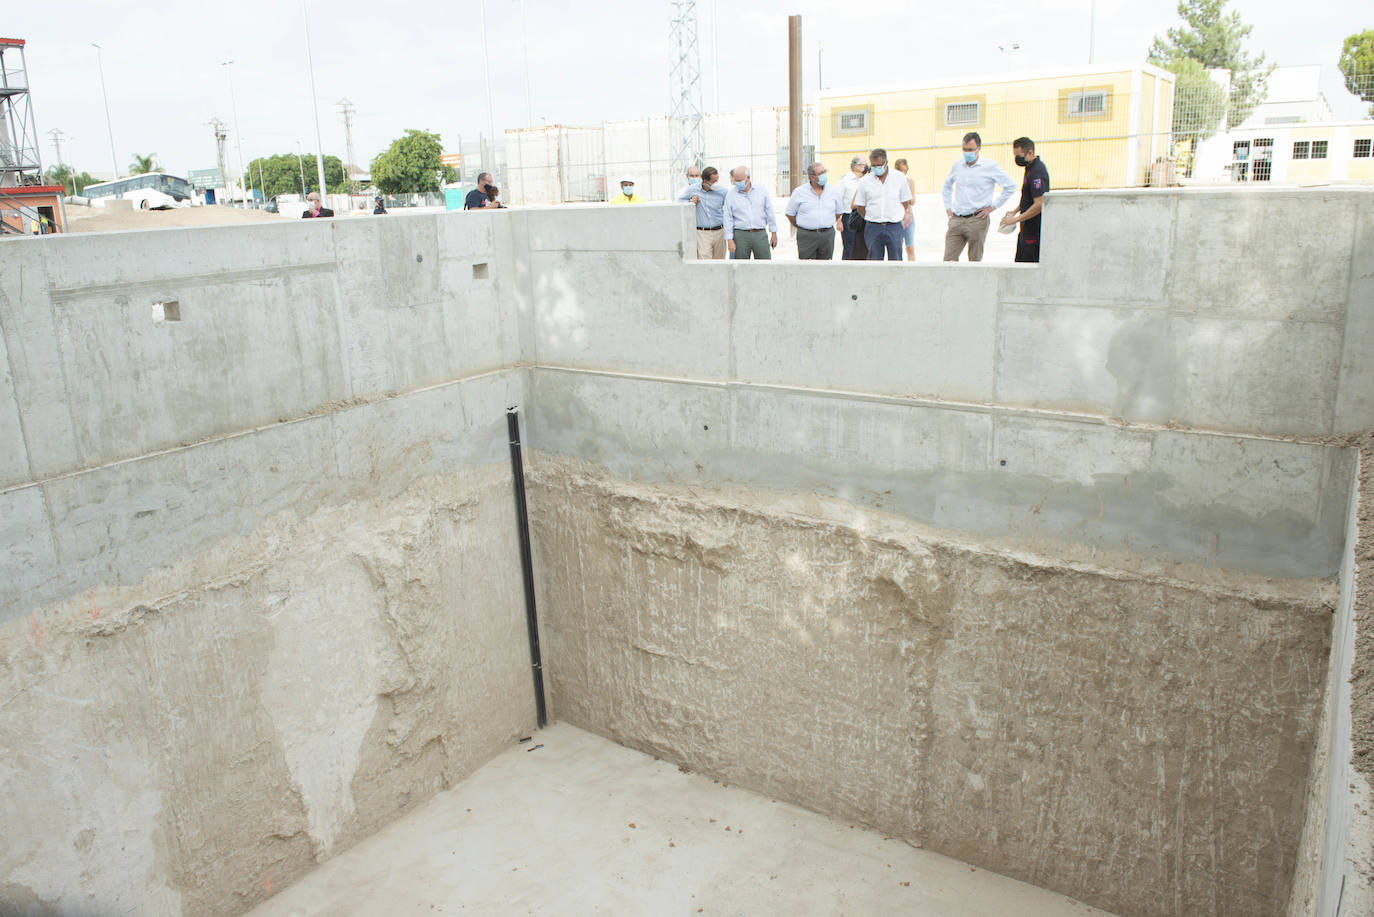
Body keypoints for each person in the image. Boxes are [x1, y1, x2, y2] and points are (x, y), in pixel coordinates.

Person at [941, 132, 1015, 262]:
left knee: (974, 261)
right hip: (957, 219)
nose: (967, 152)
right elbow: (947, 186)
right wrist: (948, 207)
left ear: (979, 148)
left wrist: (992, 207)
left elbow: (1010, 187)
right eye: (964, 149)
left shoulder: (990, 166)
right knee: (948, 260)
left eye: (970, 150)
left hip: (977, 219)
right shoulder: (957, 165)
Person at [852, 148, 911, 261]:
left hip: (894, 226)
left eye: (878, 165)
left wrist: (896, 215)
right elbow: (860, 206)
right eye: (873, 166)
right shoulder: (865, 181)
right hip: (873, 227)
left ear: (886, 163)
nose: (875, 169)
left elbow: (905, 202)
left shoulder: (899, 178)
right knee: (875, 260)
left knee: (896, 260)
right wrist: (871, 217)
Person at [999, 137, 1049, 263]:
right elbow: (1028, 198)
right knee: (1020, 263)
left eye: (1019, 156)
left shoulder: (1037, 172)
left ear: (1030, 153)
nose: (1017, 160)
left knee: (1028, 265)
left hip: (1033, 229)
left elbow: (1039, 204)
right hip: (1026, 227)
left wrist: (1014, 220)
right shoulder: (1030, 168)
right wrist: (1015, 211)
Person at [784, 162, 843, 260]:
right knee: (807, 268)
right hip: (807, 236)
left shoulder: (833, 191)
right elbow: (790, 214)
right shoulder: (799, 192)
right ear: (811, 177)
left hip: (827, 235)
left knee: (825, 267)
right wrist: (803, 225)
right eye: (821, 173)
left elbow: (838, 212)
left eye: (825, 171)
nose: (824, 175)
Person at [722, 166, 777, 260]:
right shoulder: (731, 195)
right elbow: (727, 218)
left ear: (748, 178)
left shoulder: (761, 191)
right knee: (740, 266)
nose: (738, 183)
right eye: (736, 181)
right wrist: (729, 240)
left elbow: (769, 212)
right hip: (740, 235)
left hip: (759, 233)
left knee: (765, 264)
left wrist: (774, 233)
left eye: (740, 180)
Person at [678, 166, 728, 259]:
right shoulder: (692, 190)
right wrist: (691, 202)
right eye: (714, 181)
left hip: (720, 231)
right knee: (704, 261)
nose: (716, 183)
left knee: (720, 262)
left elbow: (730, 209)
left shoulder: (723, 191)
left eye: (717, 180)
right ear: (705, 181)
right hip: (702, 233)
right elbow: (679, 202)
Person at [837, 155, 867, 260]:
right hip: (849, 216)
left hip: (863, 216)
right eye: (864, 164)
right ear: (856, 166)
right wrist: (838, 220)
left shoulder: (866, 180)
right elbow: (838, 200)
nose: (866, 167)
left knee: (862, 245)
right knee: (849, 246)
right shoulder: (845, 179)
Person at [893, 158, 916, 261]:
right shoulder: (892, 183)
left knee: (910, 247)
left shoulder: (910, 181)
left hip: (908, 217)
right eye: (900, 170)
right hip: (897, 218)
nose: (903, 172)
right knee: (896, 247)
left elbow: (912, 201)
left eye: (904, 170)